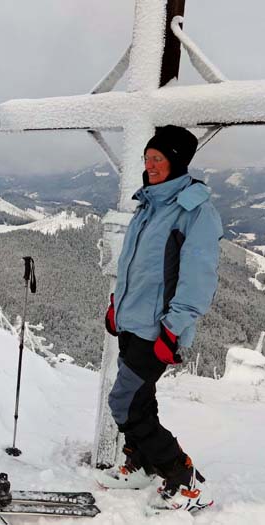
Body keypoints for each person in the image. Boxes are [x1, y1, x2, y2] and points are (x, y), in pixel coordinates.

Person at [95, 125, 222, 512]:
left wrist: (174, 328)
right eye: (147, 158)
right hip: (133, 322)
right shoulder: (149, 205)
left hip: (158, 329)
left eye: (159, 159)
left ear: (177, 162)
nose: (150, 166)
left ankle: (186, 480)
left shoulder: (194, 211)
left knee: (124, 404)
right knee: (140, 399)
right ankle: (143, 465)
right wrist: (118, 302)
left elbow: (198, 279)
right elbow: (135, 266)